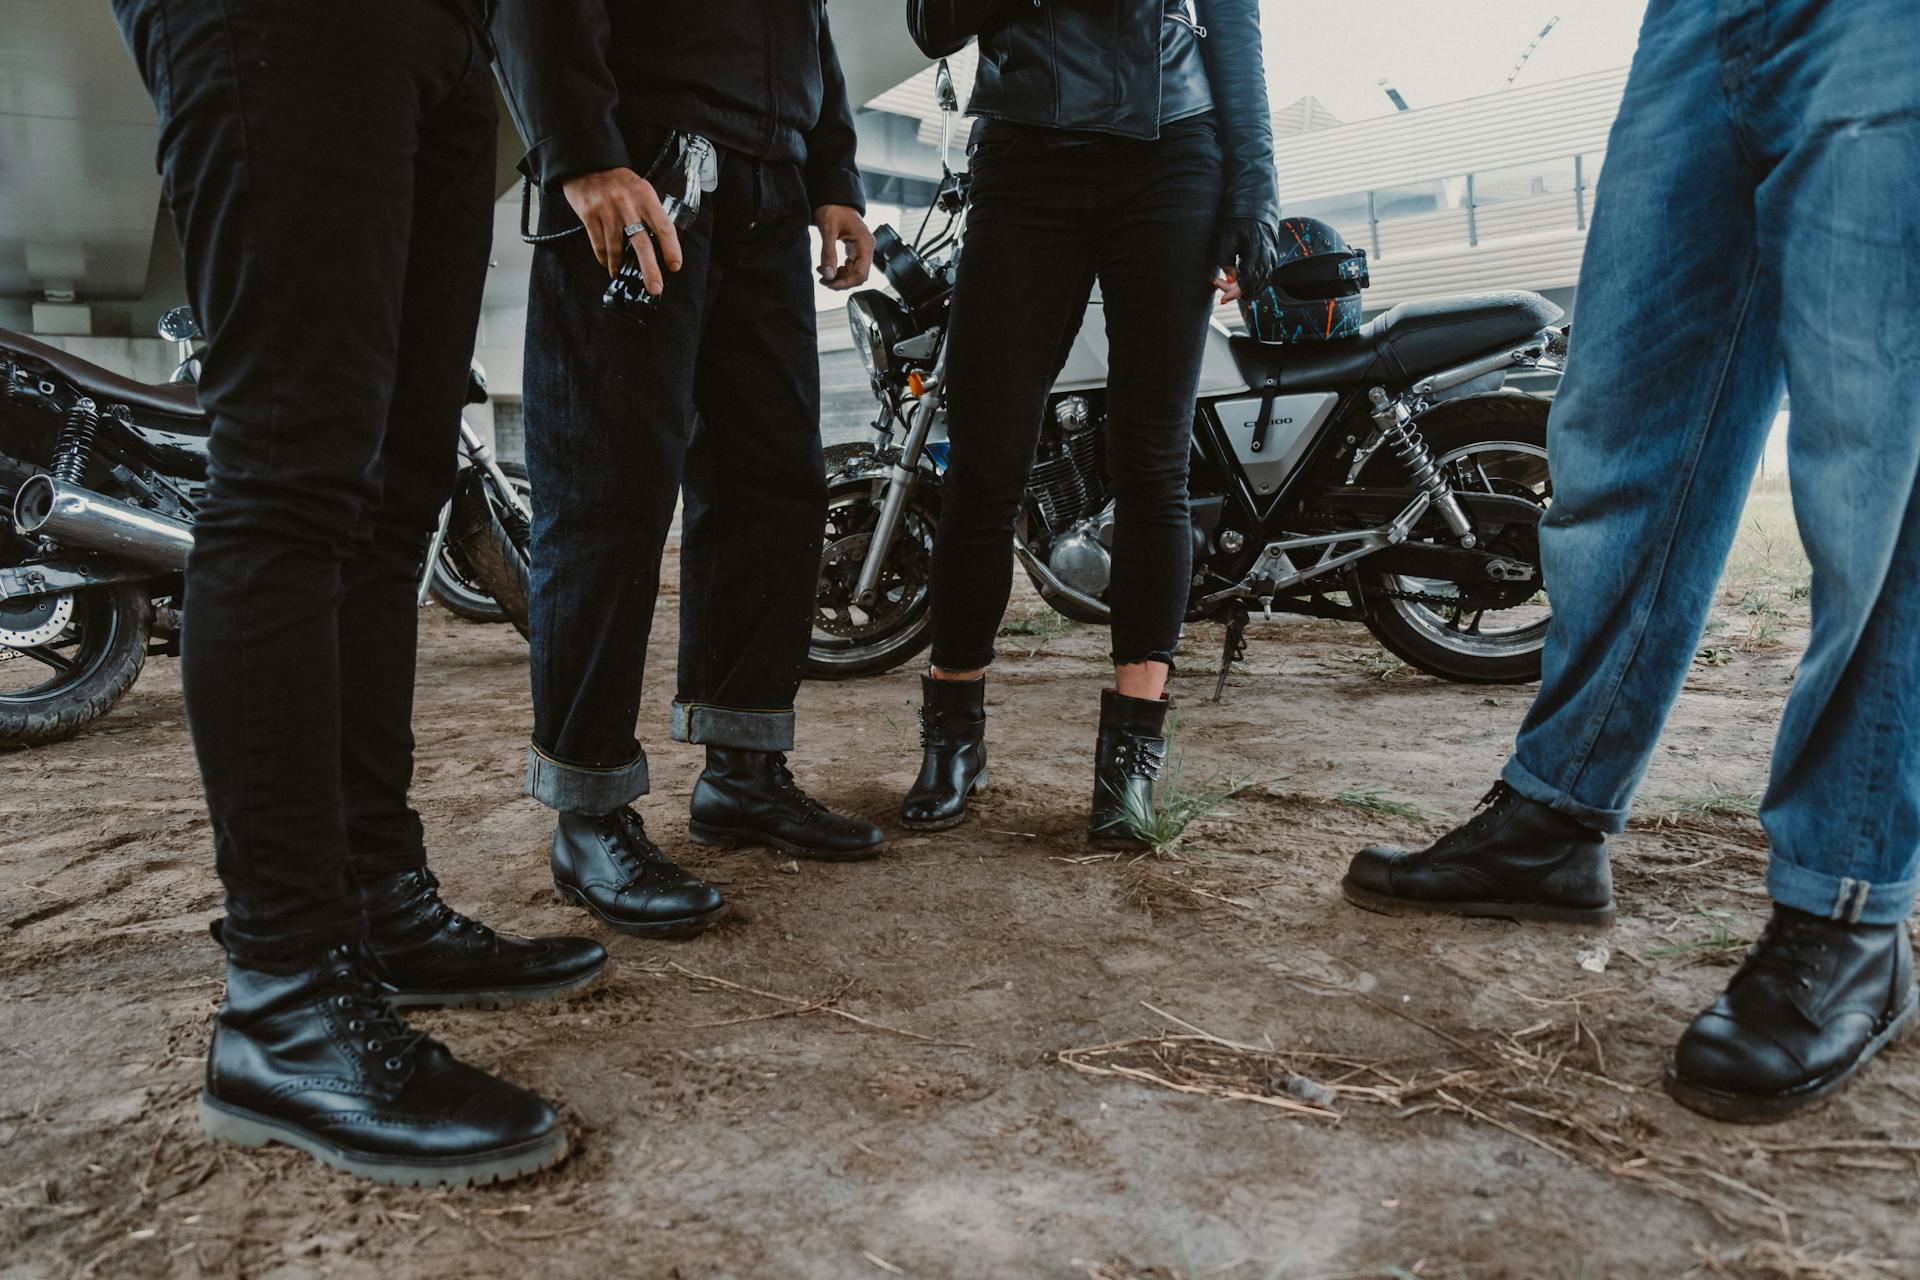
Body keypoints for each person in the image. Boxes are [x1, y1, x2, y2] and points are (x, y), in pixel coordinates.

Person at [1342, 0, 1920, 1122]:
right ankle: (1555, 817)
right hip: (1696, 24)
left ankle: (1848, 903)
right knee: (1615, 431)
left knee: (1874, 456)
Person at [107, 0, 606, 1185]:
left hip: (442, 35)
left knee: (393, 492)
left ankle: (379, 898)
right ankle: (285, 996)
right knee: (290, 468)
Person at [490, 0, 885, 938]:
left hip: (771, 186)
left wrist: (833, 172)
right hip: (640, 166)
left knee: (774, 486)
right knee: (607, 491)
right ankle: (587, 816)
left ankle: (743, 774)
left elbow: (808, 22)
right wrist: (578, 146)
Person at [900, 1, 1279, 841]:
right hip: (1023, 158)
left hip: (1173, 152)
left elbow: (1233, 23)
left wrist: (1255, 191)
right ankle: (953, 737)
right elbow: (932, 22)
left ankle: (1129, 766)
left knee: (1152, 464)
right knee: (985, 461)